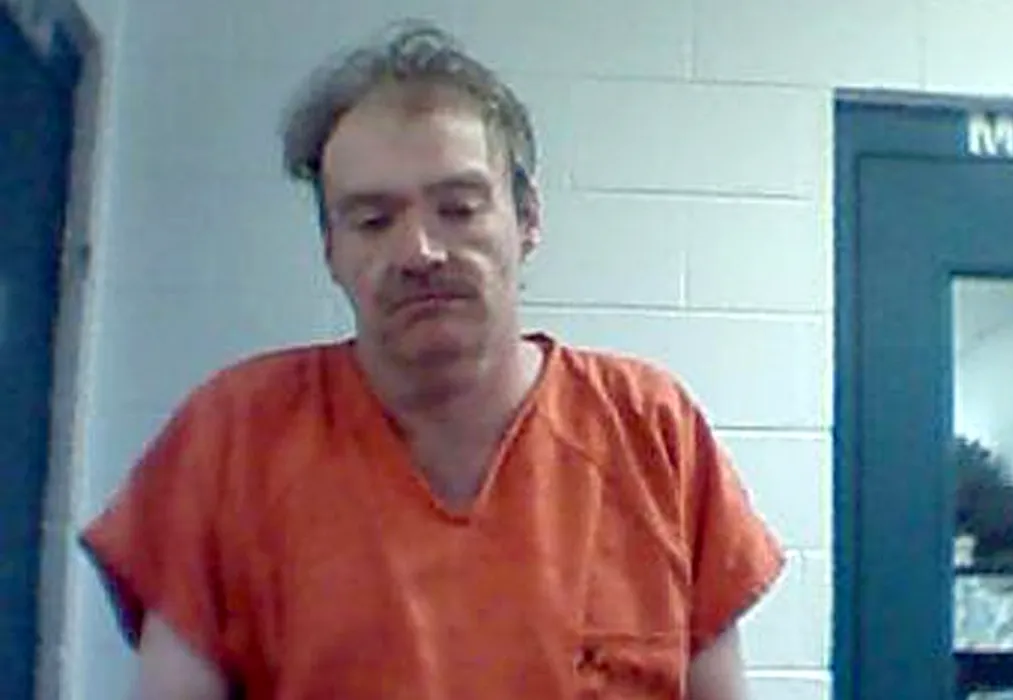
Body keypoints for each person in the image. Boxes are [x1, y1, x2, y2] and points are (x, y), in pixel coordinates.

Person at [80, 20, 785, 700]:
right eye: (373, 221)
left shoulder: (650, 427)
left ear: (527, 219)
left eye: (459, 209)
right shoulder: (233, 435)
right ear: (331, 250)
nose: (420, 251)